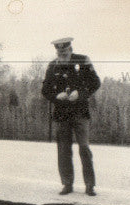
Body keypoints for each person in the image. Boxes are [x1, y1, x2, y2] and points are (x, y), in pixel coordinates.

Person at [41, 36, 101, 195]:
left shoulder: (83, 61)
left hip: (80, 112)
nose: (62, 53)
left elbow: (95, 82)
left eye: (65, 50)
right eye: (59, 51)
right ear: (57, 51)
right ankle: (67, 184)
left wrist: (80, 93)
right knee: (63, 150)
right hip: (61, 114)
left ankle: (90, 185)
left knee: (84, 148)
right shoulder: (52, 66)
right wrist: (56, 97)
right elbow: (45, 90)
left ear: (70, 49)